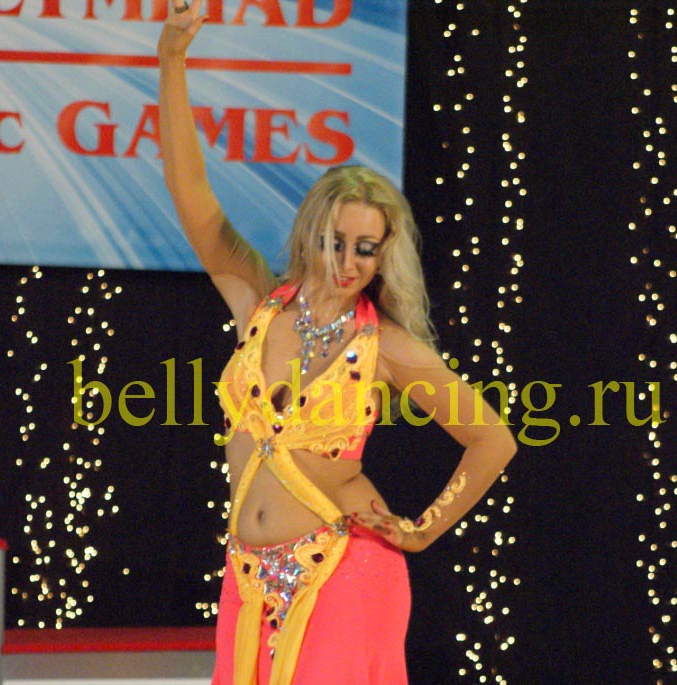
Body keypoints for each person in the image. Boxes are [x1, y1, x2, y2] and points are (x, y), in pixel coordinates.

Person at [158, 3, 517, 684]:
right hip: (247, 577)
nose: (347, 262)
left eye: (365, 248)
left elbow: (492, 438)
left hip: (345, 574)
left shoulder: (387, 347)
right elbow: (188, 187)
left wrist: (423, 529)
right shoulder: (257, 299)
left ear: (383, 255)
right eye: (336, 242)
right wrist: (172, 58)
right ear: (311, 233)